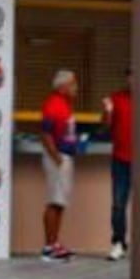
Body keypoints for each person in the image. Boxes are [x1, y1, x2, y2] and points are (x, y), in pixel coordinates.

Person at [39, 69, 80, 262]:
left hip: (65, 156)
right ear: (62, 86)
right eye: (72, 84)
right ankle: (48, 247)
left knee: (60, 202)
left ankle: (55, 244)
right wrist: (56, 157)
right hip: (58, 158)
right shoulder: (53, 104)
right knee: (54, 201)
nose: (75, 87)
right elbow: (45, 133)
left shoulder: (65, 104)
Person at [102, 73, 135, 263]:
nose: (133, 81)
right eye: (130, 77)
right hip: (121, 159)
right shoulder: (116, 98)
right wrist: (107, 111)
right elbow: (105, 127)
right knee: (118, 204)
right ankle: (119, 243)